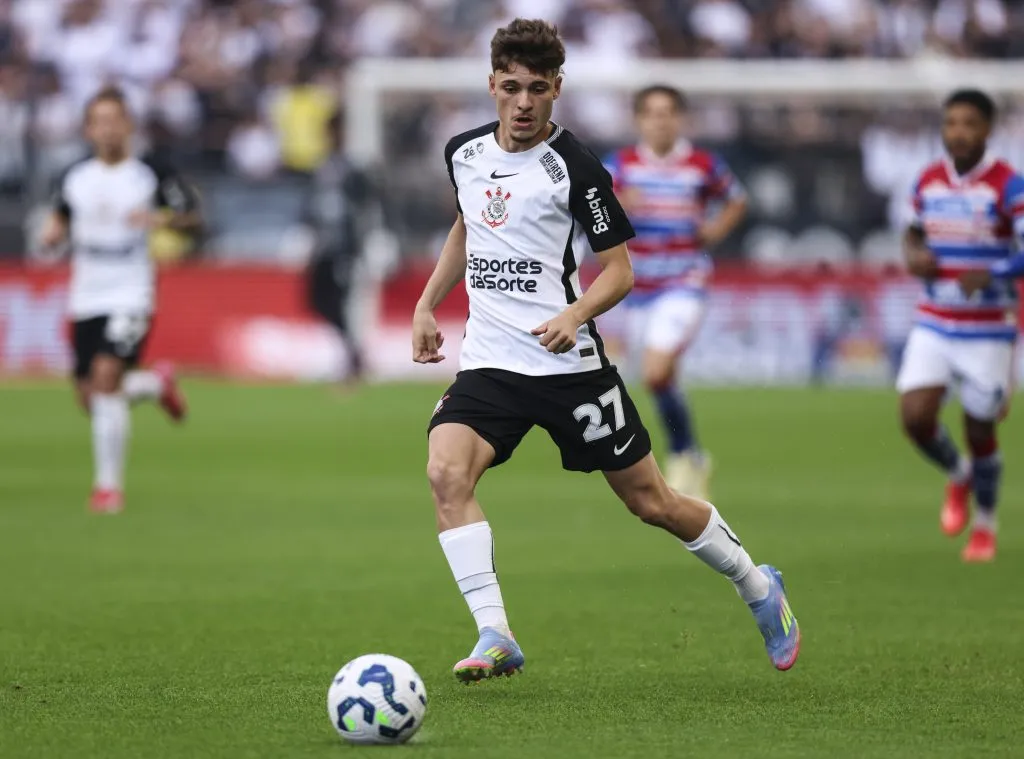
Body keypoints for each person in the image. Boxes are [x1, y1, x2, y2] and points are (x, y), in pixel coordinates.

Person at [411, 18, 799, 682]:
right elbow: (465, 228)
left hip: (570, 367)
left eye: (538, 88)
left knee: (652, 501)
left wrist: (576, 312)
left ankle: (758, 584)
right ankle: (495, 631)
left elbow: (621, 272)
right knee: (446, 474)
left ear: (557, 88)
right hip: (491, 363)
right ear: (492, 85)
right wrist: (426, 303)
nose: (524, 102)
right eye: (511, 87)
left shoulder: (580, 168)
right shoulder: (465, 152)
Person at [40, 86, 201, 514]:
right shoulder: (74, 177)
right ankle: (155, 383)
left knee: (106, 375)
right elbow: (58, 218)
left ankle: (108, 487)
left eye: (116, 119)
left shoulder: (151, 173)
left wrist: (161, 218)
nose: (109, 128)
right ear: (89, 129)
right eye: (100, 121)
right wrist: (52, 232)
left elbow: (194, 217)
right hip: (86, 290)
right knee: (88, 395)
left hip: (131, 288)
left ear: (128, 125)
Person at [898, 89, 1024, 562]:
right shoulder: (928, 180)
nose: (959, 132)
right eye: (952, 123)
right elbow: (912, 231)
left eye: (969, 123)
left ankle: (986, 525)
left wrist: (993, 274)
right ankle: (958, 473)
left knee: (979, 428)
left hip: (988, 327)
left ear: (987, 129)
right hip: (934, 320)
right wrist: (914, 257)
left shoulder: (1008, 186)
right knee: (914, 417)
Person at [603, 86, 747, 498]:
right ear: (639, 120)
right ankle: (693, 454)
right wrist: (618, 206)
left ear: (680, 119)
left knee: (655, 371)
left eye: (667, 112)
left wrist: (715, 230)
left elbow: (736, 200)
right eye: (651, 113)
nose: (660, 120)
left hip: (684, 281)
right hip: (637, 287)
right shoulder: (620, 166)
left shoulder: (702, 164)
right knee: (659, 380)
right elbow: (591, 209)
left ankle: (683, 455)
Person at [303, 111, 376, 385]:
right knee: (316, 300)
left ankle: (353, 361)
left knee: (343, 303)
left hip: (345, 248)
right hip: (323, 248)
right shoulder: (321, 168)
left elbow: (366, 207)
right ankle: (352, 353)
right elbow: (311, 205)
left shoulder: (354, 169)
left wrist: (366, 242)